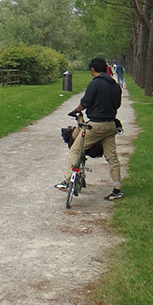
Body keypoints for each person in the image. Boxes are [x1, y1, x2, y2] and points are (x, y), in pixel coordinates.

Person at [55, 56, 123, 200]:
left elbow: (85, 103)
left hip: (95, 126)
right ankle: (117, 189)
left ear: (93, 70)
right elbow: (117, 105)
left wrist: (76, 110)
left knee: (76, 149)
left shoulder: (95, 84)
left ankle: (68, 180)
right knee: (112, 157)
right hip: (110, 125)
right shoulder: (115, 85)